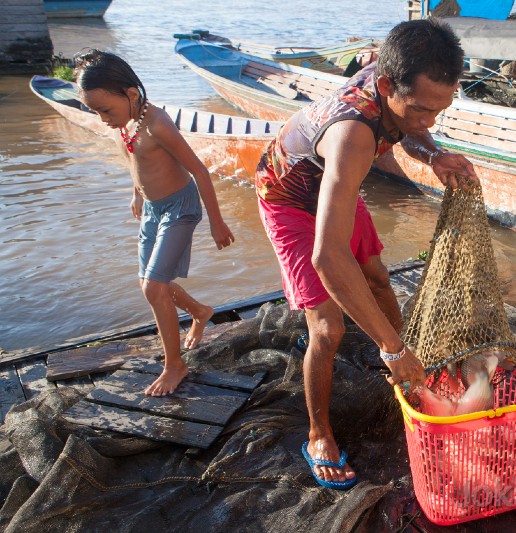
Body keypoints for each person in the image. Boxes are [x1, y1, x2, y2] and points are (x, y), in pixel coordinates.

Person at [254, 18, 477, 490]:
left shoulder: (397, 72)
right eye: (420, 110)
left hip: (335, 183)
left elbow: (408, 126)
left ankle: (408, 368)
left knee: (376, 274)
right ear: (384, 84)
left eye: (440, 111)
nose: (429, 122)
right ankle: (319, 434)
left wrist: (433, 155)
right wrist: (390, 348)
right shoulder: (354, 135)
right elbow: (327, 258)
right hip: (289, 199)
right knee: (329, 330)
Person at [75, 50, 235, 396]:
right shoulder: (126, 123)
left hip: (180, 207)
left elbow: (199, 170)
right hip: (152, 207)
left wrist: (216, 222)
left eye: (106, 110)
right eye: (95, 112)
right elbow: (133, 161)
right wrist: (136, 194)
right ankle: (199, 311)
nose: (102, 118)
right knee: (148, 281)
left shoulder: (158, 123)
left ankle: (175, 365)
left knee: (153, 287)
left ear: (131, 94)